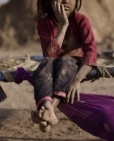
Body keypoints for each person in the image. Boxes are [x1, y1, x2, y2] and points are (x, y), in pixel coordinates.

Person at [32, 0, 97, 132]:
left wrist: (77, 80)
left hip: (75, 64)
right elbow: (50, 55)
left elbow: (91, 52)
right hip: (54, 62)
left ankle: (48, 110)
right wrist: (63, 26)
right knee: (45, 64)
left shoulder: (81, 20)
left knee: (65, 61)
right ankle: (48, 109)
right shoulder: (44, 23)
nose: (66, 1)